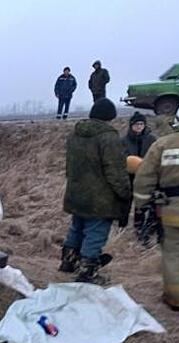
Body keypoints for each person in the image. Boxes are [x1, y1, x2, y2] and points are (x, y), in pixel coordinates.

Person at [133, 98, 179, 314]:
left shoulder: (162, 144)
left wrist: (141, 204)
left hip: (173, 214)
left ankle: (175, 299)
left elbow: (143, 180)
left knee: (174, 256)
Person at [59, 98, 131, 284]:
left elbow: (69, 166)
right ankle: (87, 272)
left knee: (77, 227)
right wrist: (125, 193)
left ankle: (68, 262)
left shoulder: (75, 134)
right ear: (110, 117)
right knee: (96, 232)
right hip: (100, 198)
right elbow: (116, 171)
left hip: (76, 193)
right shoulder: (109, 137)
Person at [122, 112, 157, 236]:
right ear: (131, 125)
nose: (139, 126)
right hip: (129, 175)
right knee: (126, 201)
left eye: (141, 124)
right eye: (136, 124)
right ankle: (122, 225)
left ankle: (140, 227)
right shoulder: (125, 140)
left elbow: (155, 156)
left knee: (141, 202)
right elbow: (121, 156)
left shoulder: (151, 139)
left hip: (145, 176)